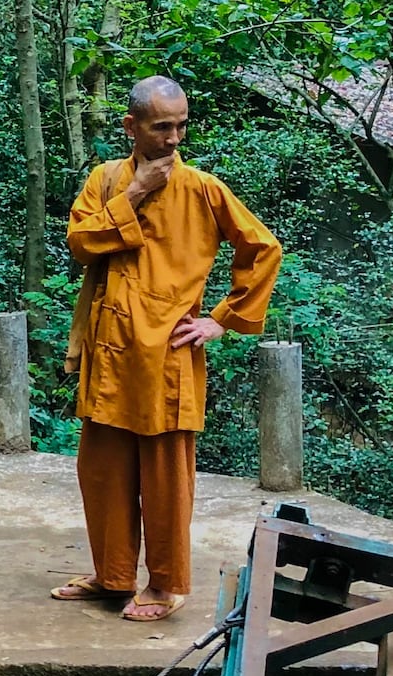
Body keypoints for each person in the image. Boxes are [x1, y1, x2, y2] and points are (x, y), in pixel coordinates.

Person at [53, 76, 282, 622]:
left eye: (181, 125)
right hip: (109, 348)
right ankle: (112, 576)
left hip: (166, 353)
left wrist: (220, 321)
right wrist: (133, 194)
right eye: (162, 127)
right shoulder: (106, 180)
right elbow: (82, 245)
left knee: (165, 477)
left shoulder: (202, 188)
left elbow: (263, 248)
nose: (174, 138)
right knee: (103, 469)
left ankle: (166, 584)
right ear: (132, 127)